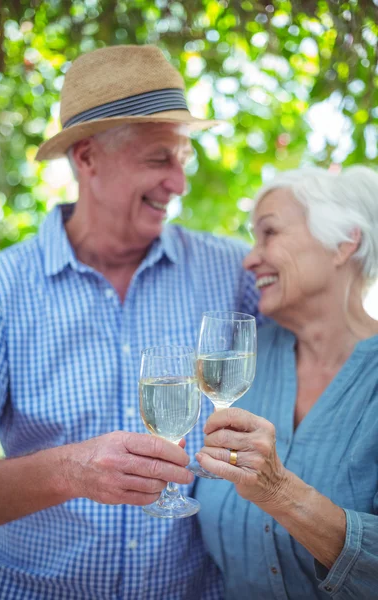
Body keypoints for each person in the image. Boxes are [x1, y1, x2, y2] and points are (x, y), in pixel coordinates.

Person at [0, 45, 262, 599]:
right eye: (159, 159)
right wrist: (72, 471)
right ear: (86, 158)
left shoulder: (230, 270)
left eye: (182, 159)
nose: (178, 184)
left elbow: (330, 324)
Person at [195, 165, 378, 599]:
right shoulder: (243, 364)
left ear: (344, 243)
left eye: (269, 233)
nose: (249, 258)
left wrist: (280, 491)